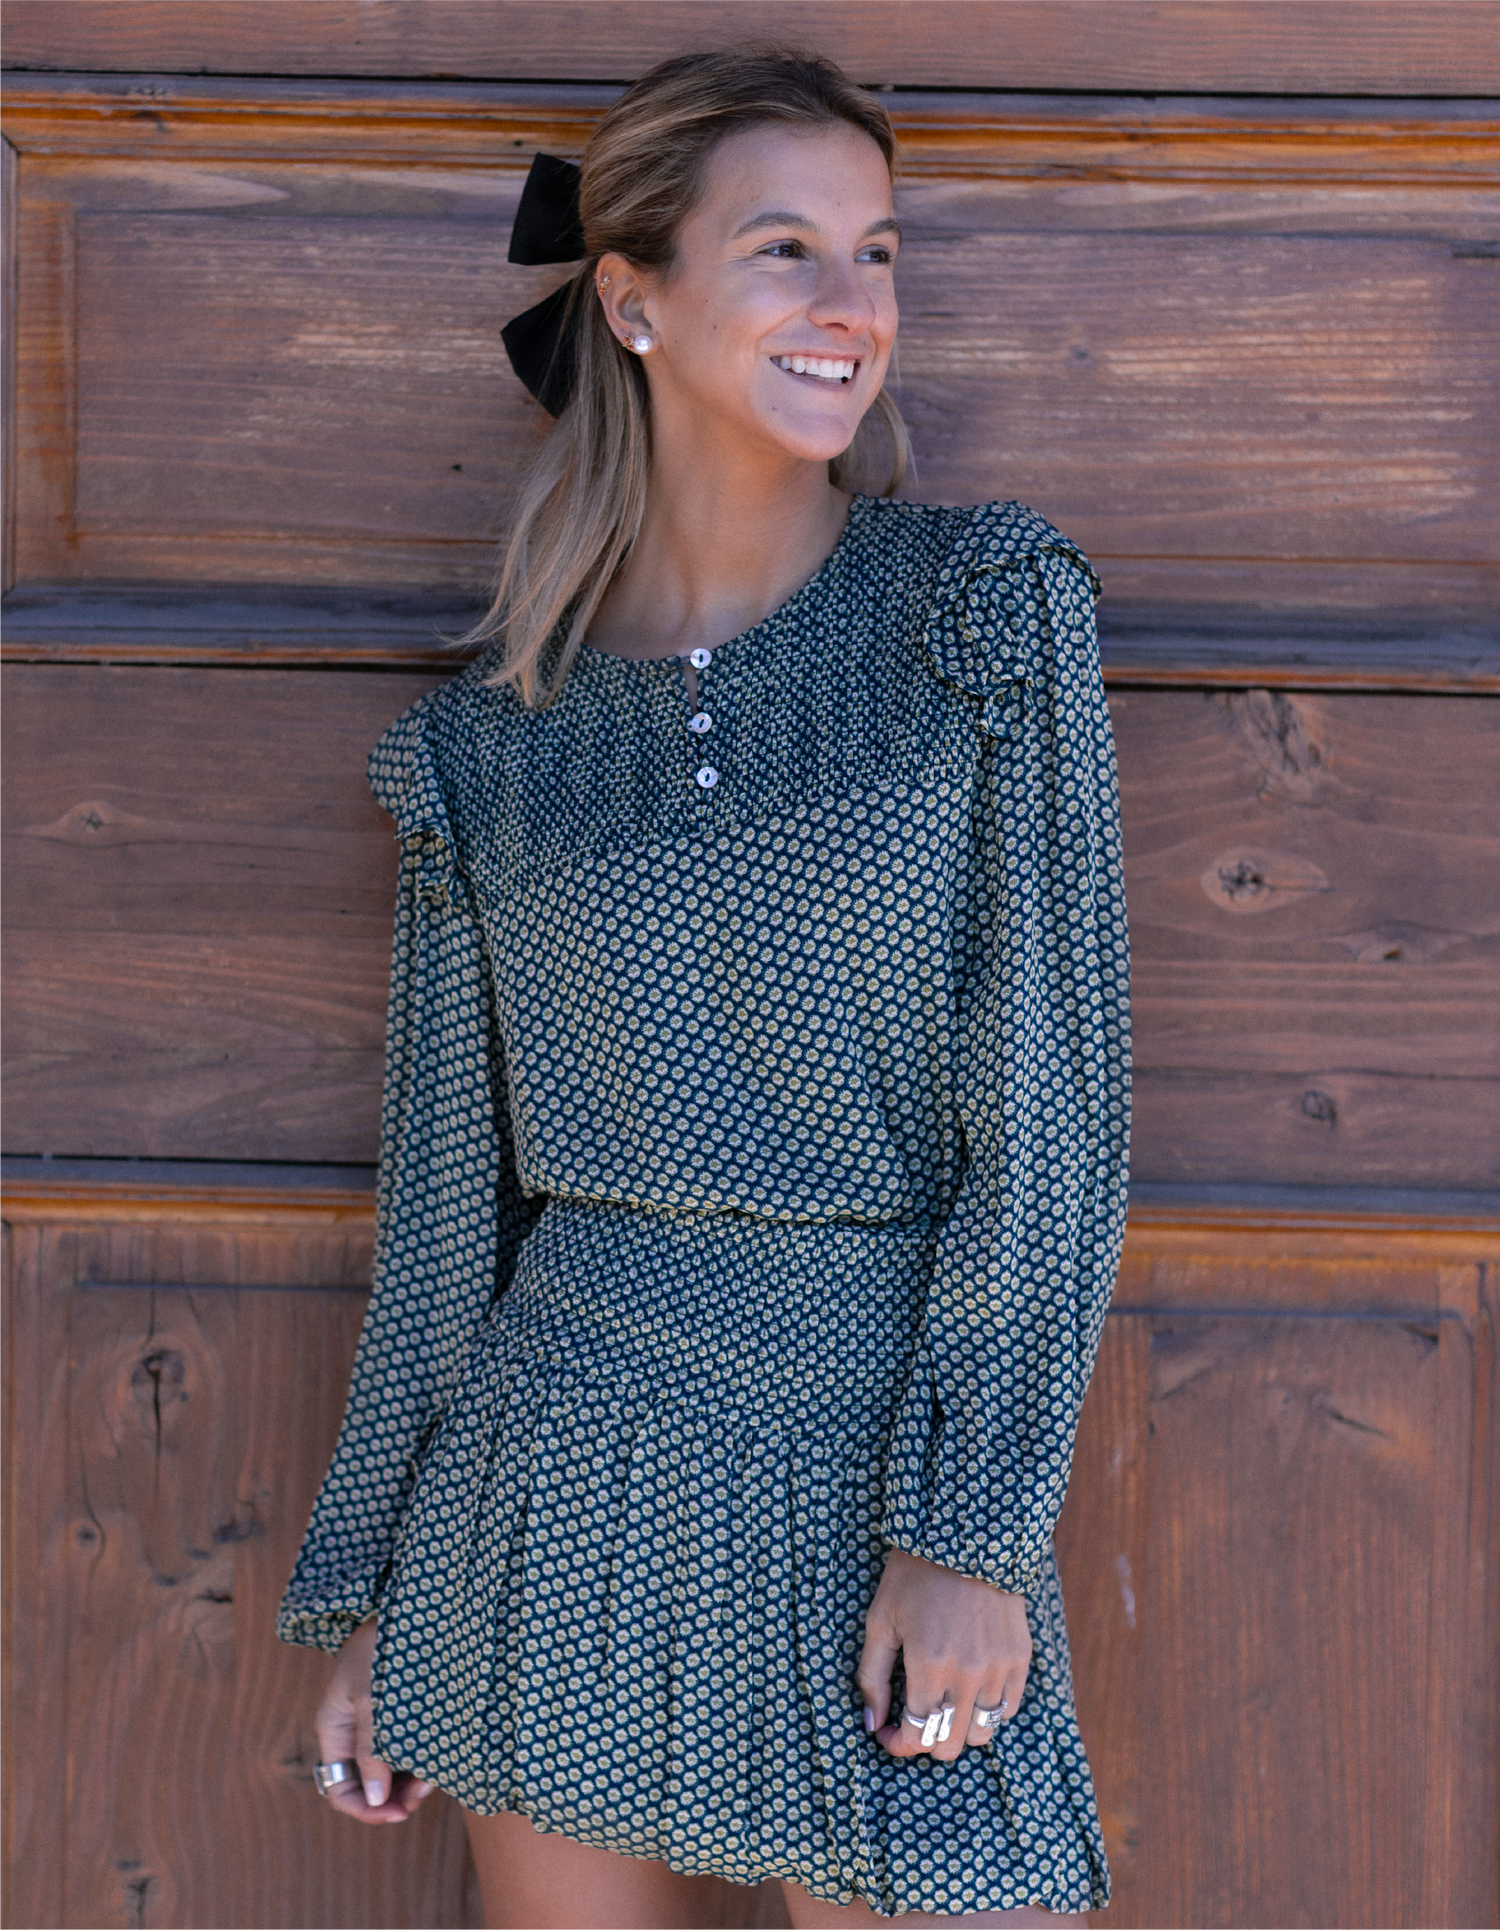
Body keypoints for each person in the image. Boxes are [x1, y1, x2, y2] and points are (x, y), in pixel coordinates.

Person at [277, 46, 1130, 1928]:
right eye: (785, 248)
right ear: (632, 300)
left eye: (877, 251)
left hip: (882, 1469)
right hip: (546, 1487)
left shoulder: (976, 613)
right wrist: (377, 1593)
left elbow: (1052, 1117)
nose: (851, 303)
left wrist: (973, 1529)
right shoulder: (494, 745)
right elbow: (447, 1211)